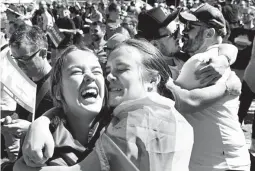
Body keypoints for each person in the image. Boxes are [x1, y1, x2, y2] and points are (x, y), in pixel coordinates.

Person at [14, 39, 194, 171]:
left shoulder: (138, 122)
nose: (107, 77)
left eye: (96, 71)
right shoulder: (44, 135)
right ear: (58, 91)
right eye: (76, 71)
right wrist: (42, 122)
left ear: (153, 80)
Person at [167, 3, 251, 171]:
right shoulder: (215, 57)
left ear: (209, 33)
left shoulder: (201, 62)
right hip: (221, 159)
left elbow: (177, 102)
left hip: (219, 164)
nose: (184, 31)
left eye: (191, 27)